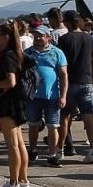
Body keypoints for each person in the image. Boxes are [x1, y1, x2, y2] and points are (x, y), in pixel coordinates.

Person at [0, 24, 30, 187]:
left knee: (12, 145)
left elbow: (10, 81)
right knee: (19, 143)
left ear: (6, 36)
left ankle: (13, 182)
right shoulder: (17, 54)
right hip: (18, 102)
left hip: (8, 102)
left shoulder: (7, 56)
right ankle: (23, 180)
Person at [21, 27, 68, 167]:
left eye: (40, 36)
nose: (37, 39)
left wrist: (63, 96)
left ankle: (52, 154)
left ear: (48, 37)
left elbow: (64, 75)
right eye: (35, 36)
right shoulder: (28, 53)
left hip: (52, 96)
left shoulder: (57, 53)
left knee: (53, 126)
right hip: (33, 96)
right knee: (33, 125)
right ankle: (33, 150)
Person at [56, 19, 93, 164]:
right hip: (86, 81)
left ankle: (60, 149)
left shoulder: (64, 39)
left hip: (69, 82)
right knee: (89, 115)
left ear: (68, 24)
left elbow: (60, 62)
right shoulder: (89, 38)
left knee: (64, 116)